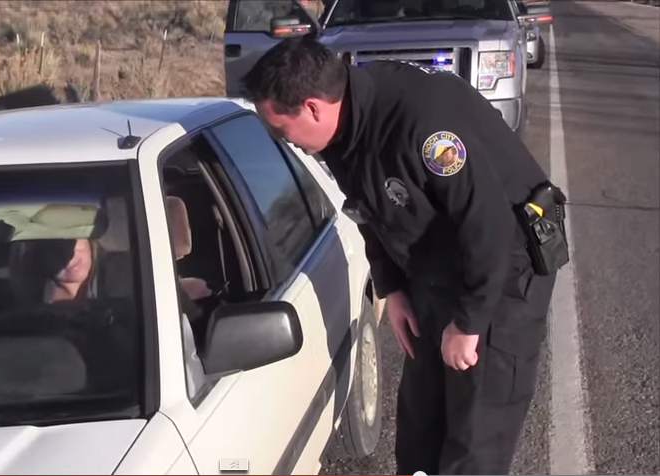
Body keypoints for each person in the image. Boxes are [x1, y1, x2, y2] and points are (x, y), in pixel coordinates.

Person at [239, 36, 566, 475]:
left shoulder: (423, 125)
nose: (285, 142)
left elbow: (488, 225)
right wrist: (392, 288)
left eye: (282, 130)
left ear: (314, 107)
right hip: (434, 269)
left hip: (502, 275)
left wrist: (469, 323)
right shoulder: (344, 127)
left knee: (474, 442)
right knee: (419, 428)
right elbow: (368, 210)